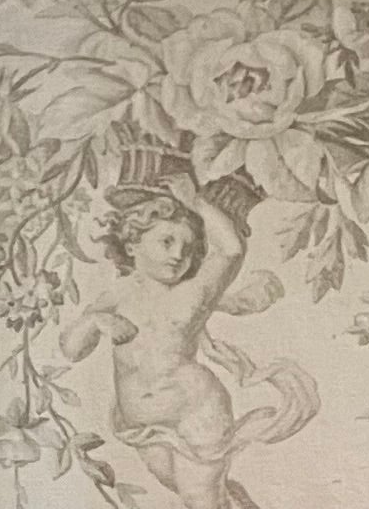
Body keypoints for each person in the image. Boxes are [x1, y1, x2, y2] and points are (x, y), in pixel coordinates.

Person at [53, 161, 319, 508]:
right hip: (142, 426)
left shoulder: (192, 293)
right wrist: (97, 323)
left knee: (199, 499)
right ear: (132, 243)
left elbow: (231, 250)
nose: (179, 253)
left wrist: (197, 202)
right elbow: (71, 349)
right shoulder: (116, 297)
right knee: (193, 491)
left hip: (197, 414)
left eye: (189, 246)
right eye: (167, 241)